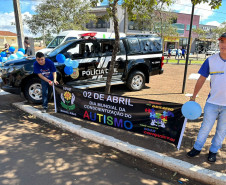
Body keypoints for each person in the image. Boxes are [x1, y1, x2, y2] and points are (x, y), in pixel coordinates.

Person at [187, 33, 226, 163]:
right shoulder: (211, 60)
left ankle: (213, 151)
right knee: (205, 127)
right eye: (221, 41)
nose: (223, 45)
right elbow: (201, 79)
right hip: (212, 103)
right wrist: (193, 97)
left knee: (221, 130)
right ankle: (197, 148)